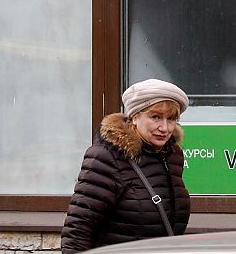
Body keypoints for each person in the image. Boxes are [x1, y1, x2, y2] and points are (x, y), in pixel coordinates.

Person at [61, 79, 192, 252]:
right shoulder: (107, 157)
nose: (165, 128)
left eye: (171, 119)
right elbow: (78, 231)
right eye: (155, 117)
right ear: (135, 116)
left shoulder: (172, 156)